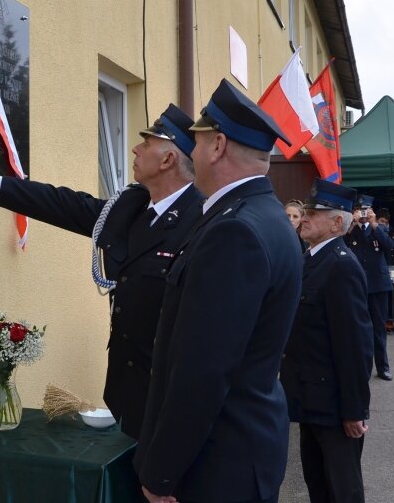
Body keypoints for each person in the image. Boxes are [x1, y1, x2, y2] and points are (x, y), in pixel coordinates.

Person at [0, 104, 203, 441]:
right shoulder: (133, 206)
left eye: (147, 143)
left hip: (173, 401)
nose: (135, 149)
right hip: (129, 394)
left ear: (167, 160)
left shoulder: (204, 221)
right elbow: (61, 204)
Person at [134, 79, 302, 503]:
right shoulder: (262, 216)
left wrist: (161, 473)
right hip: (240, 450)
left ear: (218, 145)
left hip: (216, 464)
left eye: (197, 141)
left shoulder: (235, 230)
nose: (190, 151)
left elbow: (203, 371)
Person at [281, 179, 373, 503]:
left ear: (337, 222)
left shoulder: (341, 266)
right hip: (310, 400)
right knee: (318, 486)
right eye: (305, 211)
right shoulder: (309, 259)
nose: (305, 217)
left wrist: (354, 410)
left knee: (343, 490)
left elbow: (354, 347)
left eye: (315, 213)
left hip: (335, 408)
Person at [344, 194, 394, 381]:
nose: (363, 214)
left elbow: (390, 246)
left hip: (378, 285)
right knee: (357, 328)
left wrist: (374, 225)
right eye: (360, 210)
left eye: (366, 210)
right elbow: (340, 245)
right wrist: (351, 224)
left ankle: (383, 366)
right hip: (357, 286)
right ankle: (362, 367)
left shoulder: (378, 229)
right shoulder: (351, 231)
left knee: (379, 328)